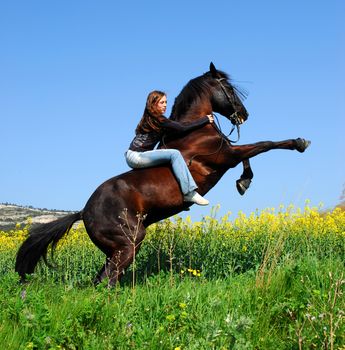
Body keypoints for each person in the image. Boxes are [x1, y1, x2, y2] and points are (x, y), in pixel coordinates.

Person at [125, 90, 214, 205]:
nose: (165, 105)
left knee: (168, 160)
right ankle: (189, 193)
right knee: (174, 154)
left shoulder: (150, 118)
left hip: (132, 156)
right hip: (137, 156)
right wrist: (204, 120)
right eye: (162, 102)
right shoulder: (159, 119)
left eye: (166, 102)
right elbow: (182, 128)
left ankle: (175, 195)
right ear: (153, 104)